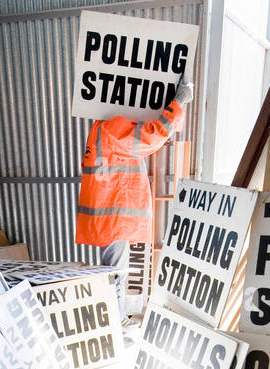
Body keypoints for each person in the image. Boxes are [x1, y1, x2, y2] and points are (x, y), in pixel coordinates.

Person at [76, 80, 195, 268]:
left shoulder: (99, 127)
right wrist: (180, 100)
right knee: (116, 277)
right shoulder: (113, 129)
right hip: (114, 218)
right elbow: (155, 135)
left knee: (112, 273)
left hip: (107, 217)